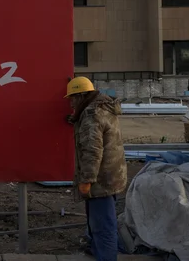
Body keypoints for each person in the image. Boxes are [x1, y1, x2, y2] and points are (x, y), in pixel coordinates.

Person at [65, 77, 126, 261]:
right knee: (99, 220)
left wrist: (87, 180)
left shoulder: (91, 115)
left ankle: (106, 256)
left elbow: (92, 151)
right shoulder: (102, 107)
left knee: (103, 225)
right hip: (112, 173)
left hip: (101, 179)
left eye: (72, 98)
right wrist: (75, 120)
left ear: (81, 95)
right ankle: (97, 250)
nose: (70, 103)